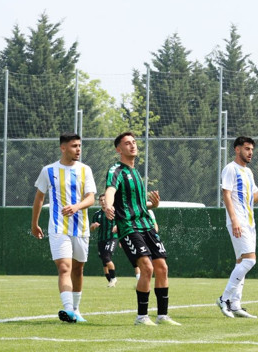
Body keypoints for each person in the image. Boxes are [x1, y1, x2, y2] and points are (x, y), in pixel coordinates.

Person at [104, 131, 180, 327]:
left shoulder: (136, 173)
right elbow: (110, 191)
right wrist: (108, 205)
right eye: (127, 143)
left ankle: (162, 316)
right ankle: (141, 317)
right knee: (146, 267)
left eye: (134, 142)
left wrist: (153, 206)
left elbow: (137, 204)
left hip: (146, 225)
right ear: (118, 149)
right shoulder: (116, 170)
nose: (132, 145)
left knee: (162, 267)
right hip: (129, 227)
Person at [31, 132, 96, 323]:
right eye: (74, 146)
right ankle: (69, 311)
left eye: (79, 146)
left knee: (78, 269)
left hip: (81, 228)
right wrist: (34, 224)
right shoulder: (48, 171)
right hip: (58, 228)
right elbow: (39, 198)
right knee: (64, 267)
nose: (78, 150)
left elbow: (91, 198)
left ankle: (76, 309)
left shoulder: (85, 170)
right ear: (63, 148)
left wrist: (76, 207)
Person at [216, 136, 258, 319]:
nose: (250, 152)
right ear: (237, 149)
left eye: (252, 149)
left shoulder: (248, 173)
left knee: (241, 262)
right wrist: (234, 219)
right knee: (250, 261)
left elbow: (252, 199)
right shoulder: (230, 169)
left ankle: (235, 305)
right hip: (238, 221)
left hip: (250, 223)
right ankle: (224, 298)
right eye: (247, 149)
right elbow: (226, 194)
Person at [90, 193, 119, 287]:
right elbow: (91, 227)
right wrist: (93, 226)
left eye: (104, 200)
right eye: (101, 200)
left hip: (112, 238)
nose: (103, 202)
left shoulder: (113, 211)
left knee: (106, 257)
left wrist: (117, 226)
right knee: (104, 261)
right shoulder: (97, 214)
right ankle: (110, 281)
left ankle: (114, 278)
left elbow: (121, 222)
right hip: (101, 239)